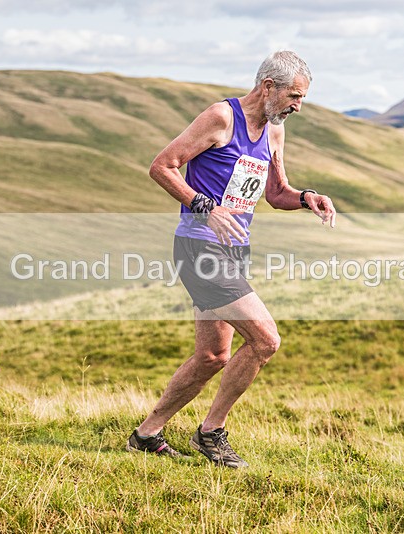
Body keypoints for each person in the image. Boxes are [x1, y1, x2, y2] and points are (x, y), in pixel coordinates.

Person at [126, 50, 336, 468]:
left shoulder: (274, 131)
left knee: (213, 356)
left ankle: (146, 435)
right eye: (294, 96)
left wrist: (306, 198)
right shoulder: (221, 118)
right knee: (265, 339)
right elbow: (162, 166)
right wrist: (207, 206)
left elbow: (276, 193)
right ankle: (211, 433)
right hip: (198, 247)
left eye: (303, 98)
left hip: (235, 251)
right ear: (268, 86)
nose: (298, 106)